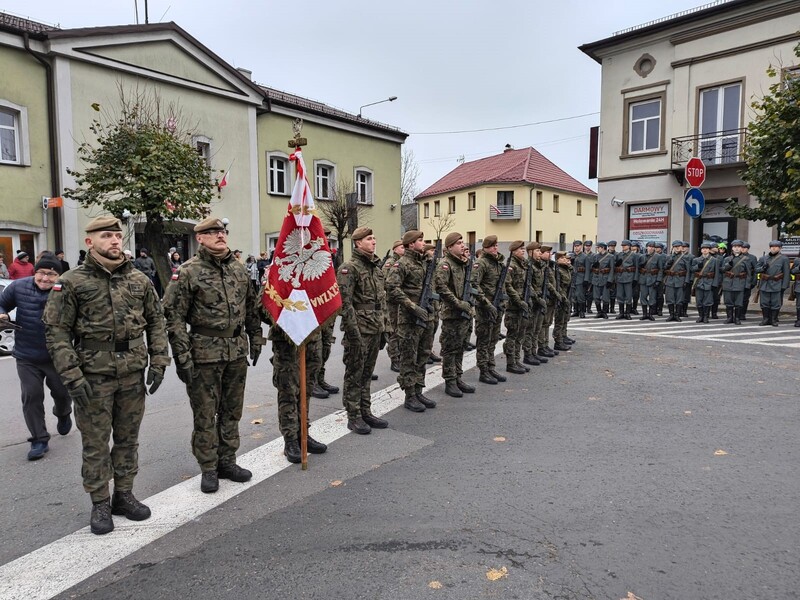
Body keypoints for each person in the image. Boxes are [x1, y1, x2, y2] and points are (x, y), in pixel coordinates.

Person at [43, 216, 170, 535]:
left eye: (117, 235)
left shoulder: (139, 280)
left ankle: (123, 495)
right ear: (90, 242)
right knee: (96, 443)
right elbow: (57, 331)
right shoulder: (72, 281)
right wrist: (71, 374)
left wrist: (158, 360)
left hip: (132, 373)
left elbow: (156, 321)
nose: (114, 240)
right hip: (91, 377)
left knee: (128, 439)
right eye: (105, 236)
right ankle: (100, 502)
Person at [163, 216, 265, 493]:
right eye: (213, 232)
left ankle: (227, 460)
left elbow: (252, 309)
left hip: (236, 352)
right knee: (206, 414)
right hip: (204, 352)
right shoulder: (187, 272)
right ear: (200, 238)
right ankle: (208, 467)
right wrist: (182, 355)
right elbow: (173, 317)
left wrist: (256, 339)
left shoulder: (239, 270)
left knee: (232, 411)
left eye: (222, 231)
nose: (220, 235)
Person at [0, 253, 72, 461]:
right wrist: (3, 313)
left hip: (57, 355)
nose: (45, 278)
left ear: (59, 276)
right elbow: (2, 303)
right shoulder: (18, 287)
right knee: (31, 396)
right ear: (35, 272)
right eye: (41, 273)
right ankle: (39, 438)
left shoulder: (66, 291)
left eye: (51, 274)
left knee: (61, 393)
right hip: (27, 355)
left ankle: (63, 412)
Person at [336, 227, 389, 433]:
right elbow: (345, 304)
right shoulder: (349, 268)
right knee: (355, 373)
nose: (373, 241)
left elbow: (381, 301)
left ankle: (365, 410)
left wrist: (385, 328)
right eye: (369, 239)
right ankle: (354, 414)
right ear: (358, 243)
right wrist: (353, 333)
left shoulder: (376, 268)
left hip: (375, 327)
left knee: (367, 372)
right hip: (359, 328)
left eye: (374, 238)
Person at [385, 230, 437, 412]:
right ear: (410, 244)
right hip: (409, 319)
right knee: (409, 356)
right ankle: (410, 395)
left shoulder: (425, 263)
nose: (423, 243)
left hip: (427, 315)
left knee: (423, 354)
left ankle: (419, 389)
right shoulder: (402, 264)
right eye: (420, 241)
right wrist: (412, 306)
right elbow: (391, 287)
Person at [435, 232, 476, 397]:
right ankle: (450, 381)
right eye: (458, 243)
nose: (463, 245)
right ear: (450, 247)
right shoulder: (445, 264)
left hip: (465, 312)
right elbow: (441, 287)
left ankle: (458, 377)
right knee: (450, 348)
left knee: (461, 347)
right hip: (452, 313)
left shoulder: (463, 264)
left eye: (462, 242)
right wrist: (459, 304)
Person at [470, 235, 508, 385]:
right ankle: (483, 370)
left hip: (497, 306)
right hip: (485, 307)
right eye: (492, 246)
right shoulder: (481, 263)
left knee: (493, 339)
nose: (495, 248)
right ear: (485, 247)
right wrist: (486, 302)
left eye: (496, 245)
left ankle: (491, 367)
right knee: (484, 340)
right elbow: (474, 284)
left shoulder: (498, 264)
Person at [502, 240, 529, 374]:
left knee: (520, 334)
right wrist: (518, 300)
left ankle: (517, 360)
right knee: (512, 335)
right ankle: (510, 362)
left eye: (523, 249)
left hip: (521, 304)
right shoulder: (511, 266)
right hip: (513, 305)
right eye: (520, 249)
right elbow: (508, 285)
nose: (523, 251)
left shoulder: (522, 265)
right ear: (513, 251)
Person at [521, 242, 547, 366]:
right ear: (530, 252)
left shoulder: (539, 266)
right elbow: (528, 285)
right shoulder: (528, 266)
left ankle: (533, 351)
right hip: (532, 301)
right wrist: (537, 298)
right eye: (537, 251)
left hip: (538, 301)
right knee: (530, 329)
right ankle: (528, 354)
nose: (540, 253)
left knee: (537, 328)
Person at [755, 240, 791, 326]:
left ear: (780, 248)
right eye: (772, 246)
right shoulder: (763, 258)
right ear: (769, 247)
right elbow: (756, 269)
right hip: (765, 283)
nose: (773, 248)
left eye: (776, 247)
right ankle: (765, 319)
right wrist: (762, 268)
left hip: (777, 283)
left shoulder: (784, 259)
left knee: (776, 303)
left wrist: (784, 285)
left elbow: (786, 273)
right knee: (764, 303)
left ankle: (773, 319)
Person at [383, 239, 405, 372]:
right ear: (395, 249)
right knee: (394, 331)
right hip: (392, 302)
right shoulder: (390, 263)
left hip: (400, 301)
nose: (404, 249)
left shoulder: (402, 262)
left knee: (400, 330)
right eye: (401, 247)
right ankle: (394, 359)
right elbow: (386, 282)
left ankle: (399, 355)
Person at [721, 240, 752, 325]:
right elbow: (722, 270)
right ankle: (729, 317)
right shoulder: (727, 259)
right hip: (728, 282)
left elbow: (749, 273)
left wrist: (747, 284)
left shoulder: (746, 259)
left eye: (738, 247)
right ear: (732, 248)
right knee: (728, 301)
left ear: (742, 248)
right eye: (735, 247)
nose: (737, 249)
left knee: (738, 302)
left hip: (739, 282)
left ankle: (737, 318)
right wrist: (728, 265)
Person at [691, 242, 721, 323]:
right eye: (703, 249)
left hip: (709, 282)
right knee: (699, 300)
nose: (704, 250)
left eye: (706, 249)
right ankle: (700, 316)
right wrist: (698, 266)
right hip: (699, 282)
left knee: (707, 301)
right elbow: (692, 270)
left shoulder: (715, 260)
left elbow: (717, 273)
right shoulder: (696, 260)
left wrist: (715, 284)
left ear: (709, 250)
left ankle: (706, 316)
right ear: (701, 250)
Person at [638, 241, 664, 321]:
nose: (651, 248)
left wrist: (658, 280)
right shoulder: (642, 256)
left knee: (652, 297)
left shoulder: (658, 257)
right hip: (643, 279)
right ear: (646, 247)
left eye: (653, 247)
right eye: (649, 246)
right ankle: (644, 314)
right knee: (643, 297)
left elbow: (660, 269)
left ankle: (650, 314)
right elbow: (638, 269)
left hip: (653, 279)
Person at [614, 240, 638, 320]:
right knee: (620, 296)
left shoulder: (633, 255)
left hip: (629, 277)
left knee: (628, 296)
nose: (623, 246)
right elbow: (616, 266)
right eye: (622, 245)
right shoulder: (619, 254)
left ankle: (627, 313)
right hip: (620, 277)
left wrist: (635, 278)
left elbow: (636, 268)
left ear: (629, 246)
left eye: (625, 245)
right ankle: (621, 313)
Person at [590, 242, 615, 319]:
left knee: (605, 297)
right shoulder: (595, 256)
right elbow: (592, 267)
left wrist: (610, 280)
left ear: (603, 248)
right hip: (596, 278)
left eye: (598, 247)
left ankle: (604, 312)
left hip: (605, 278)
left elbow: (612, 269)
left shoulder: (610, 257)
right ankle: (599, 312)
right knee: (596, 297)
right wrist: (593, 266)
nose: (597, 249)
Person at [570, 240, 588, 318]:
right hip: (573, 278)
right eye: (575, 246)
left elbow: (587, 269)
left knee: (580, 295)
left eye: (578, 246)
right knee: (574, 296)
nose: (576, 248)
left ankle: (582, 311)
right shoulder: (572, 256)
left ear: (581, 246)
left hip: (581, 278)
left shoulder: (584, 256)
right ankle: (576, 310)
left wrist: (586, 279)